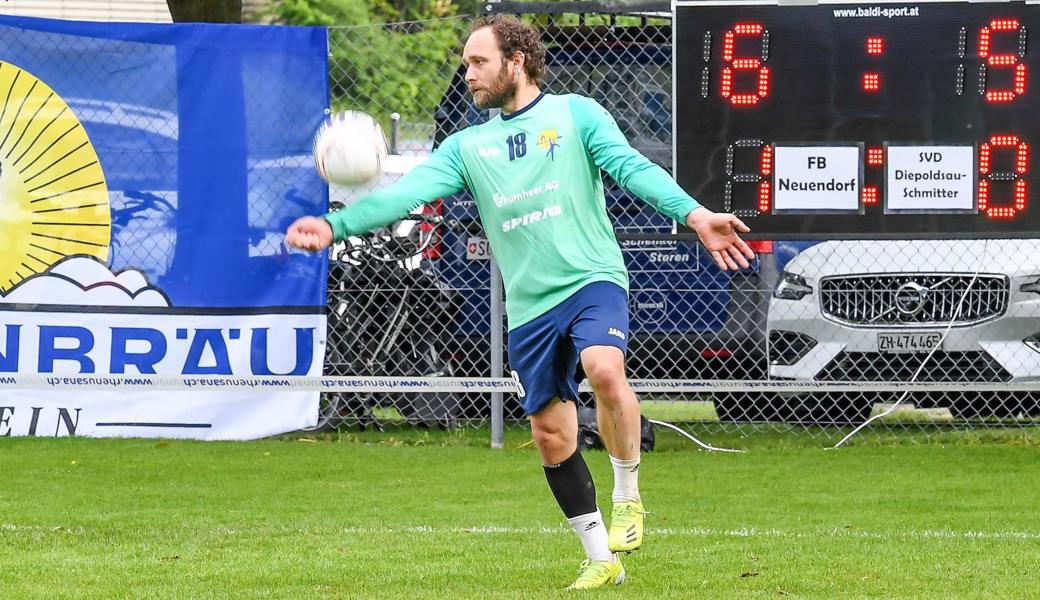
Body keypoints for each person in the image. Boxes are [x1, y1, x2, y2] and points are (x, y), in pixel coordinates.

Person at [286, 14, 755, 590]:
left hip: (591, 279)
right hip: (530, 306)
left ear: (517, 61)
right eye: (465, 64)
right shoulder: (466, 147)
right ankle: (600, 557)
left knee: (604, 369)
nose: (469, 75)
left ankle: (628, 495)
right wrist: (336, 225)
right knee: (550, 435)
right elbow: (404, 193)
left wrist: (696, 214)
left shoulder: (576, 114)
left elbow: (631, 167)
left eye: (479, 62)